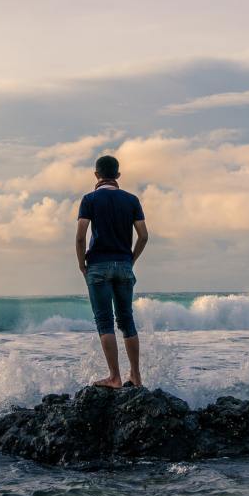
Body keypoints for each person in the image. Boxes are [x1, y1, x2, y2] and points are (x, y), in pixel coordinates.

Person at [76, 155, 148, 388]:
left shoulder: (89, 199)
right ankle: (135, 376)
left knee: (104, 321)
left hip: (98, 265)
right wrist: (131, 259)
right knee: (127, 321)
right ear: (118, 176)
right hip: (124, 265)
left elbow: (80, 236)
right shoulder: (132, 200)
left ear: (96, 175)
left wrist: (81, 264)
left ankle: (115, 376)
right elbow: (144, 235)